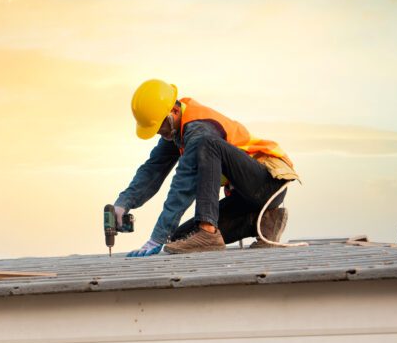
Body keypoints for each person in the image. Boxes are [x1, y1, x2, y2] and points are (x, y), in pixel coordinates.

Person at [112, 79, 299, 256]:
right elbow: (153, 169)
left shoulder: (199, 129)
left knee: (207, 145)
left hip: (268, 182)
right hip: (246, 198)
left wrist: (157, 237)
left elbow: (183, 185)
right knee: (179, 238)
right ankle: (265, 220)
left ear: (174, 111)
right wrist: (123, 204)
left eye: (160, 127)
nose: (160, 133)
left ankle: (208, 231)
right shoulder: (176, 129)